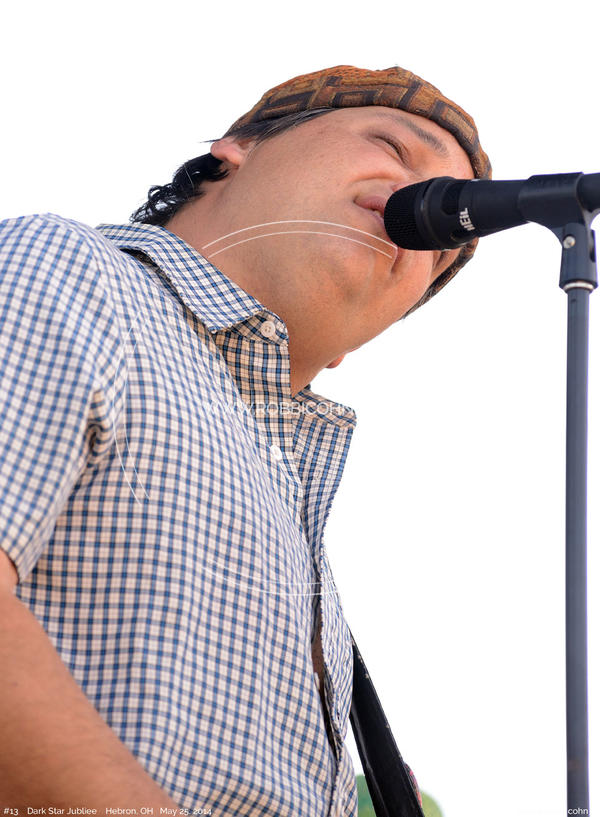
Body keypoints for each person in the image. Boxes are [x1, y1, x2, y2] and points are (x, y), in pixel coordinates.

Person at [0, 65, 491, 814]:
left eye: (443, 248)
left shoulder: (300, 536)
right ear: (236, 149)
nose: (426, 205)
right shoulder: (68, 269)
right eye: (392, 146)